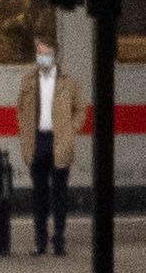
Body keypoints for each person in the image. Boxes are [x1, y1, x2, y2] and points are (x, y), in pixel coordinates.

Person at [13, 38, 90, 258]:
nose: (42, 57)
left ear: (54, 56)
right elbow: (20, 109)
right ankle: (39, 241)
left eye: (46, 53)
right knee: (39, 196)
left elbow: (80, 110)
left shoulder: (68, 82)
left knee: (60, 195)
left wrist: (70, 132)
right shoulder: (28, 81)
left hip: (59, 142)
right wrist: (25, 133)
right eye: (39, 53)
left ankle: (59, 239)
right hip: (37, 142)